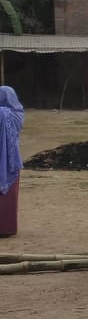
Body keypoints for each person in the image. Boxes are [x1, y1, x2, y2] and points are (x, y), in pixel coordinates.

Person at [0, 86, 23, 237]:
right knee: (9, 197)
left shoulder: (2, 113)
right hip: (12, 161)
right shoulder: (18, 114)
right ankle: (7, 228)